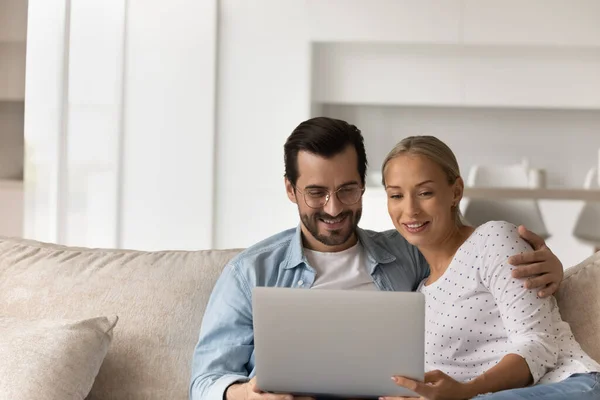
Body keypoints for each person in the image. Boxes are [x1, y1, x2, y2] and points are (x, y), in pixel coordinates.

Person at [189, 117, 564, 400]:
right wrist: (243, 394)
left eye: (347, 190)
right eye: (316, 193)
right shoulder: (250, 272)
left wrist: (556, 270)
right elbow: (205, 381)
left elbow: (469, 260)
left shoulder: (407, 251)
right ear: (291, 189)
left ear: (363, 185)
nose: (333, 208)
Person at [379, 136, 600, 400]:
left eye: (425, 193)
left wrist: (465, 392)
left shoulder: (493, 240)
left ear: (456, 191)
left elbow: (539, 344)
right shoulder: (419, 292)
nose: (410, 209)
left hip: (566, 386)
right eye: (396, 195)